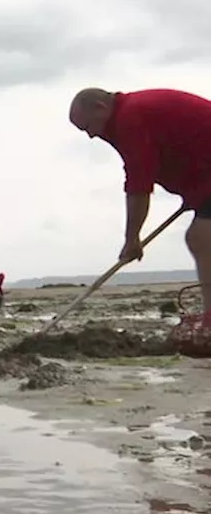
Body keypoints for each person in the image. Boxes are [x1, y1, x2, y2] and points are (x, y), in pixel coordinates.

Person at [70, 87, 211, 334]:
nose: (91, 135)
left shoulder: (130, 118)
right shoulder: (131, 114)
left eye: (88, 126)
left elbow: (139, 183)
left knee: (201, 238)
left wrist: (132, 238)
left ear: (100, 109)